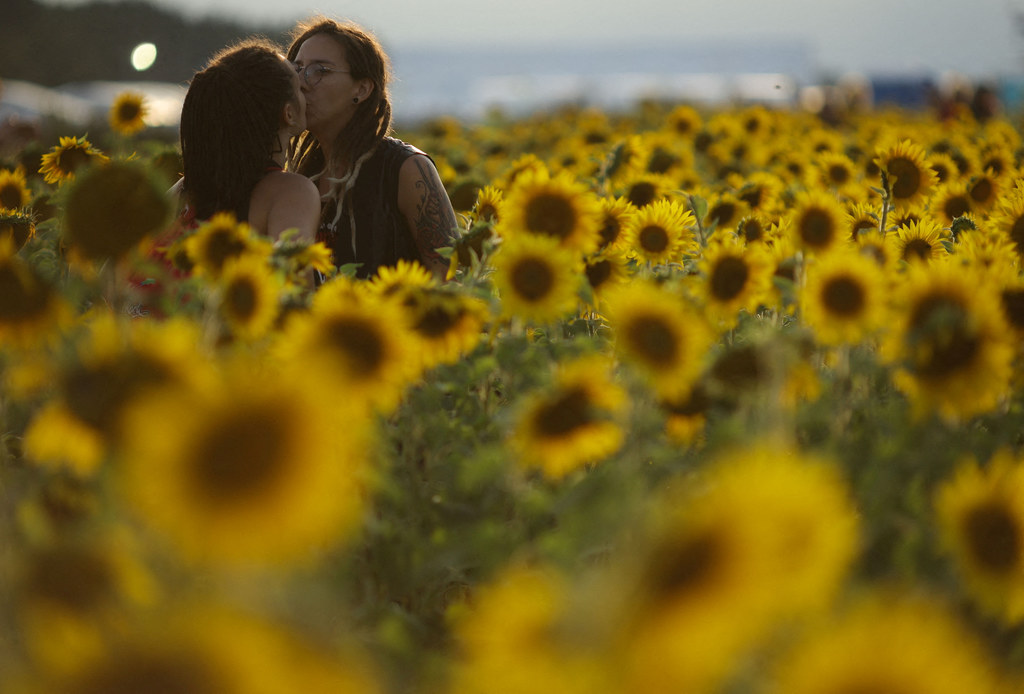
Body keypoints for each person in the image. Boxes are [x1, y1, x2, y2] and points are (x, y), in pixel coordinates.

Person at [286, 17, 460, 281]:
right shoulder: (299, 177)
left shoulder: (404, 169)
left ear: (362, 88)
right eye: (297, 69)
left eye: (320, 70)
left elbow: (448, 272)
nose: (302, 82)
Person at [177, 38, 320, 241]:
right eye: (299, 87)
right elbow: (294, 271)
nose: (306, 87)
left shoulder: (183, 190)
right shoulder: (290, 192)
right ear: (288, 114)